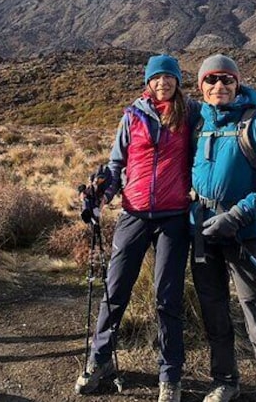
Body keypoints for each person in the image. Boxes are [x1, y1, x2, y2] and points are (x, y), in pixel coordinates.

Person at [75, 54, 199, 402]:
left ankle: (170, 375)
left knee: (167, 298)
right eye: (157, 78)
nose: (163, 83)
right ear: (148, 82)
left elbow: (224, 108)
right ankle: (99, 360)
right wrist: (101, 196)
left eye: (169, 77)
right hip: (134, 213)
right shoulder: (132, 116)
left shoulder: (191, 114)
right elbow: (116, 165)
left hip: (173, 216)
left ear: (178, 81)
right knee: (115, 292)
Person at [190, 54, 256, 402]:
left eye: (227, 80)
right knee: (214, 312)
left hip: (244, 235)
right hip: (203, 234)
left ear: (238, 84)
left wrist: (235, 217)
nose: (219, 86)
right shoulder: (197, 123)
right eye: (211, 80)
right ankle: (225, 381)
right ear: (201, 86)